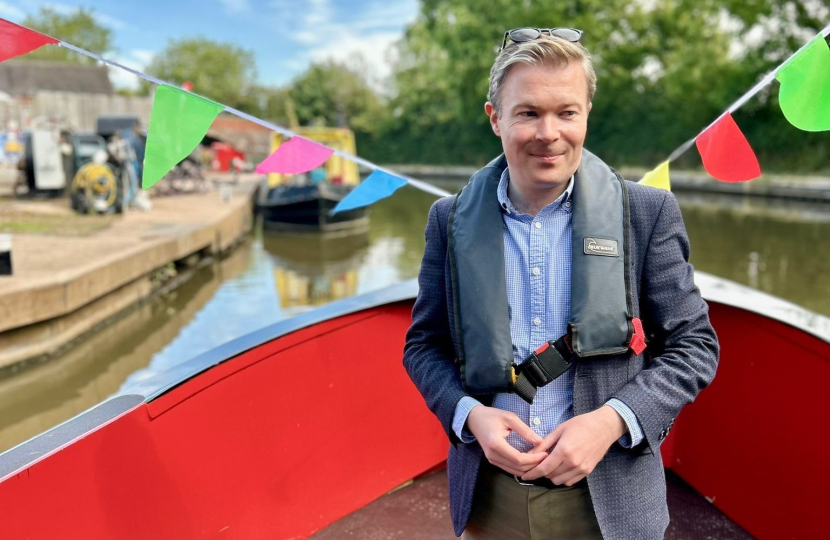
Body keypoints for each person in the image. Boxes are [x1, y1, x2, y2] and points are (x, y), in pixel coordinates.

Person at [402, 28, 720, 540]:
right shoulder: (448, 220)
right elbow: (424, 346)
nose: (548, 132)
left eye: (566, 112)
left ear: (586, 114)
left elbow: (695, 346)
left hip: (611, 504)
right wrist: (469, 416)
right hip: (490, 499)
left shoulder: (646, 213)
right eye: (527, 112)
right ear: (495, 118)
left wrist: (612, 421)